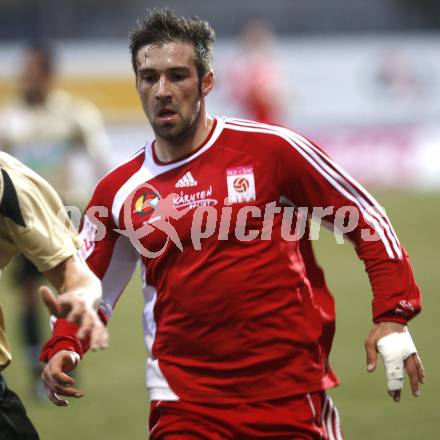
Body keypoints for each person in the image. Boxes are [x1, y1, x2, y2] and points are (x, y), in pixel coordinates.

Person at [41, 9, 424, 439]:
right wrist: (67, 343)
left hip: (289, 395)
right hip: (183, 405)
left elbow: (366, 219)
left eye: (178, 76)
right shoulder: (118, 191)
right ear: (137, 85)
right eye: (149, 78)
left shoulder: (272, 151)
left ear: (207, 82)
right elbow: (89, 285)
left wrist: (393, 314)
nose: (163, 90)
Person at [0, 40, 110, 398]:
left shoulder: (73, 114)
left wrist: (100, 205)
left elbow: (99, 158)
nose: (25, 79)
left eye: (32, 72)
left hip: (62, 215)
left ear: (47, 74)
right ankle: (35, 365)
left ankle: (67, 354)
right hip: (21, 220)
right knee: (29, 297)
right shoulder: (9, 119)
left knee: (71, 287)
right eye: (23, 72)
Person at [0, 152, 108, 439]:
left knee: (35, 298)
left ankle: (51, 365)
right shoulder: (14, 122)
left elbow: (77, 276)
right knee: (27, 300)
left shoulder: (8, 183)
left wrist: (80, 301)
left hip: (55, 213)